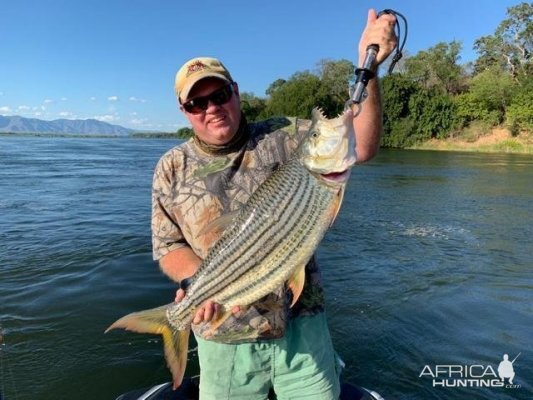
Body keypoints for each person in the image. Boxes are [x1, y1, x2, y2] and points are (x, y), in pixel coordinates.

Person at [151, 9, 397, 400]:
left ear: (235, 91)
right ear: (184, 111)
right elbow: (168, 247)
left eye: (218, 95)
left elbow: (362, 146)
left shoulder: (284, 136)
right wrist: (198, 286)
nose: (211, 107)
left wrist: (369, 68)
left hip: (303, 329)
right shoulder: (171, 167)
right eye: (197, 103)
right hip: (223, 337)